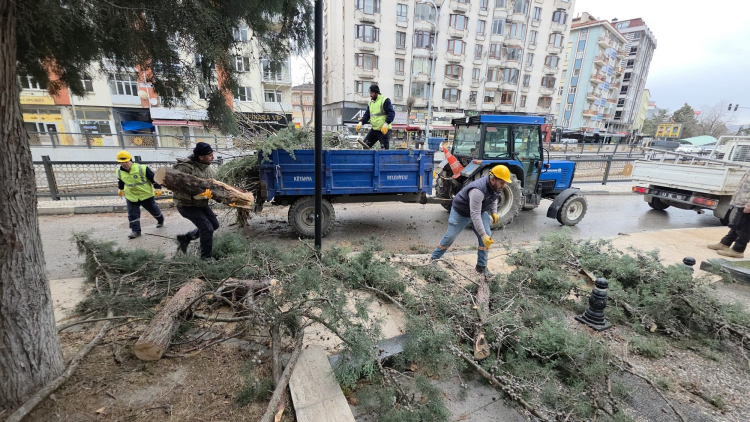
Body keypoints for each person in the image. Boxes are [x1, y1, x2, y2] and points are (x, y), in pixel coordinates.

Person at [430, 165, 513, 275]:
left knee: (487, 236)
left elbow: (493, 197)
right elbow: (475, 215)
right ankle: (433, 259)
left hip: (479, 210)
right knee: (450, 237)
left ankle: (481, 267)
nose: (504, 185)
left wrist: (494, 212)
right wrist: (483, 235)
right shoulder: (477, 191)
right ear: (493, 180)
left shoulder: (496, 186)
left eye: (505, 182)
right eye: (502, 183)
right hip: (461, 212)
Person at [174, 142, 219, 259]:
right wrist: (195, 196)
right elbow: (177, 189)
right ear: (201, 157)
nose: (213, 157)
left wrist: (226, 198)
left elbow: (214, 186)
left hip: (201, 203)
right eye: (210, 155)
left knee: (214, 224)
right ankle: (205, 259)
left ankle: (186, 238)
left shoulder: (207, 168)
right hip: (186, 205)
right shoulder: (185, 168)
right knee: (207, 229)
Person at [115, 150, 164, 239]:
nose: (124, 164)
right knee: (132, 214)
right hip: (131, 196)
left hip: (146, 195)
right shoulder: (119, 171)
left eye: (126, 161)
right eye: (121, 162)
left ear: (130, 160)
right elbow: (121, 181)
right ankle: (136, 231)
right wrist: (121, 189)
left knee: (154, 210)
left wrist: (158, 188)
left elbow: (154, 179)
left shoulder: (142, 168)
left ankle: (160, 219)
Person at [708, 171, 750, 258]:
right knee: (735, 225)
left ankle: (738, 250)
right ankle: (725, 243)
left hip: (747, 204)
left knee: (744, 228)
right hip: (742, 203)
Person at [356, 84, 395, 149]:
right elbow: (367, 115)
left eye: (372, 93)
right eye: (370, 93)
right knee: (365, 146)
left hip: (383, 130)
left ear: (376, 93)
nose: (370, 95)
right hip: (374, 129)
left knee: (384, 150)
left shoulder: (385, 100)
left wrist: (386, 124)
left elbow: (391, 113)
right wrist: (361, 122)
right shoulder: (371, 103)